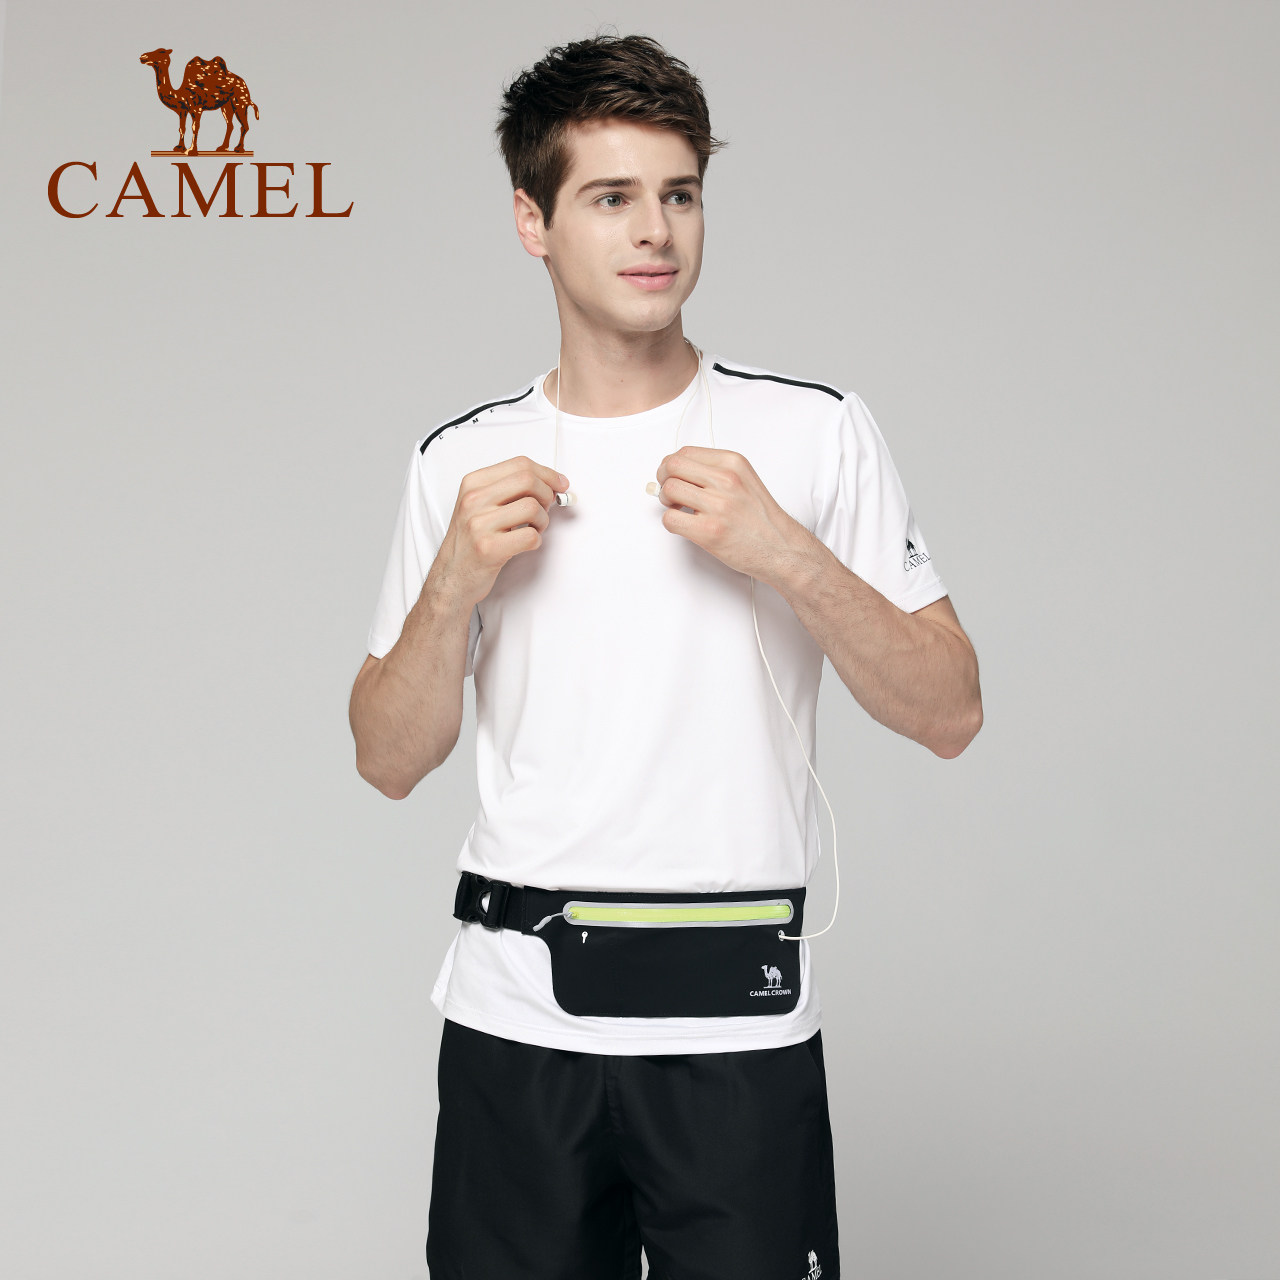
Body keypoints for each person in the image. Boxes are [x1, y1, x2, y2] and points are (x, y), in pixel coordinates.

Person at [348, 30, 982, 1280]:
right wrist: (453, 583)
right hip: (515, 1023)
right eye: (610, 197)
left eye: (679, 194)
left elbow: (949, 709)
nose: (655, 231)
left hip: (735, 1028)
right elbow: (385, 757)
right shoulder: (459, 462)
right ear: (531, 221)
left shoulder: (810, 432)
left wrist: (784, 551)